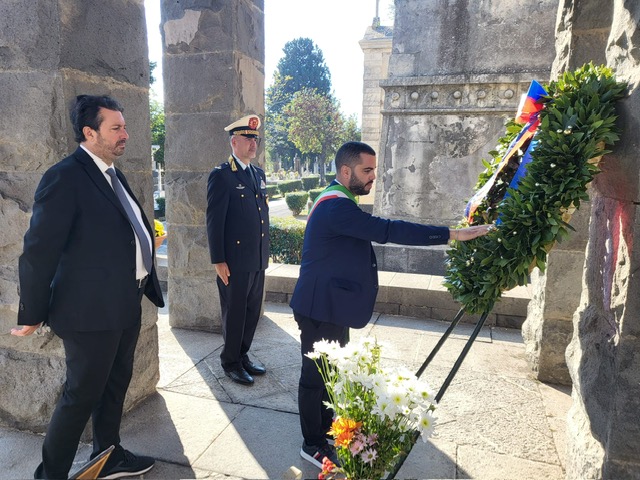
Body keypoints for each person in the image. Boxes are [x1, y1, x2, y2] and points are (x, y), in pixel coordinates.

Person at [290, 141, 493, 469]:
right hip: (318, 307)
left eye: (373, 170)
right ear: (346, 171)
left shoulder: (339, 198)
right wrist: (451, 234)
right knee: (314, 377)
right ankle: (311, 443)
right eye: (366, 170)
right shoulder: (336, 206)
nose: (373, 177)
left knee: (332, 374)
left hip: (331, 303)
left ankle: (328, 430)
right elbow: (387, 230)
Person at [11, 95, 165, 479]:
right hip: (89, 312)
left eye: (125, 126)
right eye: (116, 128)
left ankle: (108, 455)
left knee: (115, 387)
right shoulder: (65, 176)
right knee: (80, 397)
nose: (125, 134)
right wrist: (33, 312)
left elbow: (116, 229)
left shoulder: (112, 173)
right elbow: (38, 251)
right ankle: (52, 475)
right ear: (89, 132)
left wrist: (145, 242)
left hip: (125, 302)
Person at [206, 114, 269, 385]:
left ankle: (242, 355)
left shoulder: (257, 173)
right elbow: (214, 220)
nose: (253, 143)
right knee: (235, 312)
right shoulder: (222, 175)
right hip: (234, 260)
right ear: (234, 142)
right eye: (248, 138)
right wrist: (218, 259)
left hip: (256, 258)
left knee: (252, 310)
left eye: (255, 138)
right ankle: (230, 361)